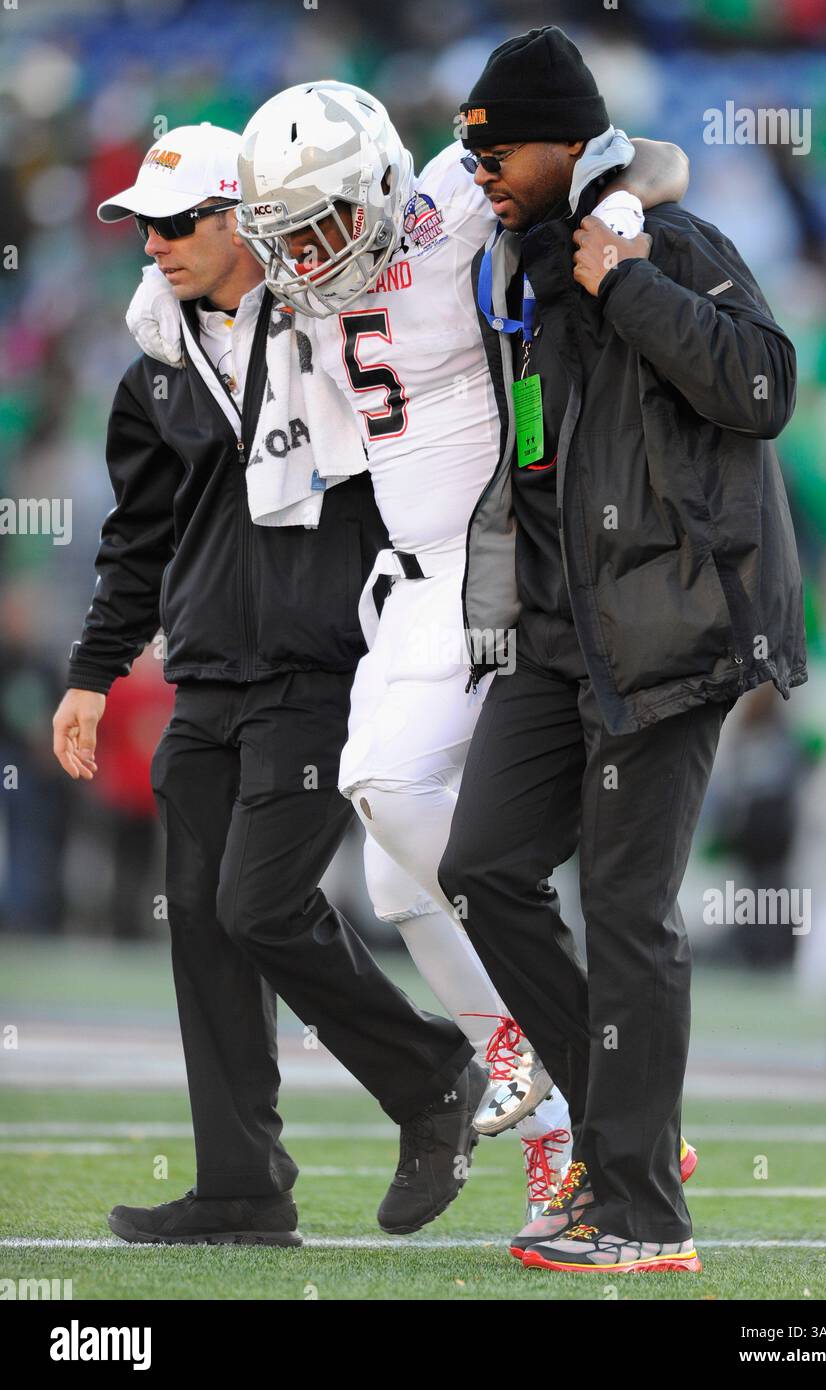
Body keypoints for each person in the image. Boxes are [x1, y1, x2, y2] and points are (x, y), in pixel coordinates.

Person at [231, 79, 696, 1220]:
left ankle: (557, 1048)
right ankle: (566, 1129)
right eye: (288, 233)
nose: (307, 254)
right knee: (396, 879)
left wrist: (621, 208)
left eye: (325, 223)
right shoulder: (301, 282)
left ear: (384, 185)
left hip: (488, 565)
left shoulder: (452, 199)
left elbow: (654, 157)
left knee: (388, 784)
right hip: (404, 579)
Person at [53, 121, 486, 1247]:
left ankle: (437, 1075)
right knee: (204, 924)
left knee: (261, 904)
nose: (154, 244)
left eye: (176, 222)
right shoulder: (155, 365)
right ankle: (242, 1186)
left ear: (243, 217)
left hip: (321, 662)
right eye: (142, 227)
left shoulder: (337, 324)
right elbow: (138, 538)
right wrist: (95, 670)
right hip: (204, 673)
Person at [437, 25, 806, 1275]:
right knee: (483, 864)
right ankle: (625, 1131)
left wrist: (630, 285)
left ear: (564, 144)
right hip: (562, 633)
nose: (479, 169)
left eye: (496, 150)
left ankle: (645, 1215)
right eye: (469, 151)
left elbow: (766, 388)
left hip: (673, 628)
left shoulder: (668, 244)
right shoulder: (524, 266)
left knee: (629, 911)